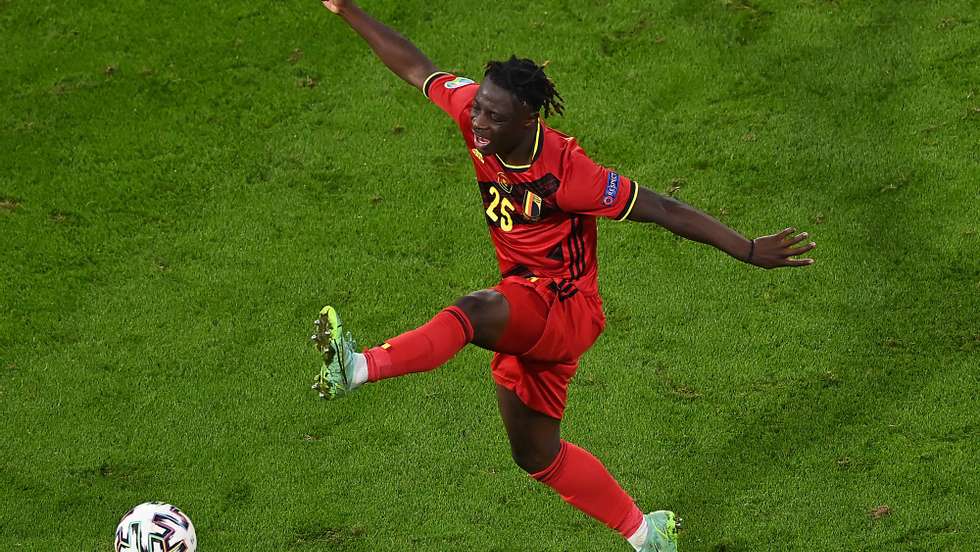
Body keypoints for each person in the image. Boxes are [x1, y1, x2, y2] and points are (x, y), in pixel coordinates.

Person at [310, 1, 816, 550]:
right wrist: (347, 9)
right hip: (527, 304)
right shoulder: (475, 115)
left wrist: (746, 249)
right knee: (535, 455)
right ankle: (648, 535)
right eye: (478, 108)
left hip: (563, 306)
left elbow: (664, 209)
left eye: (493, 117)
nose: (477, 123)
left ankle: (358, 366)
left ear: (528, 120)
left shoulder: (570, 174)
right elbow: (416, 67)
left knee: (474, 311)